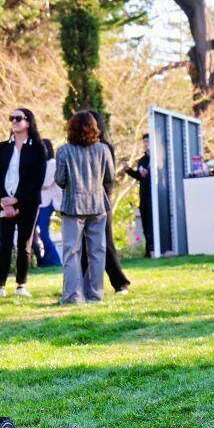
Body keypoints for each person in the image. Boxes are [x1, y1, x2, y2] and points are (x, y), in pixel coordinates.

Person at [55, 111, 114, 304]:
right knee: (97, 252)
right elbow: (110, 177)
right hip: (97, 205)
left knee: (72, 252)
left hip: (73, 206)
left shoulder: (64, 151)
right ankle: (95, 294)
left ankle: (73, 296)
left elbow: (60, 179)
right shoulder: (103, 149)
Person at [0, 108, 45, 298]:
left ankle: (21, 285)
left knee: (24, 243)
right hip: (5, 202)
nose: (14, 121)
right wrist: (4, 200)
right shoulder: (2, 147)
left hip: (28, 203)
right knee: (4, 243)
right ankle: (0, 286)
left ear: (28, 122)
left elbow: (37, 180)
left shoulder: (38, 148)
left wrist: (18, 199)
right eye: (11, 118)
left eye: (18, 118)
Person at [79, 110, 131, 293]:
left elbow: (109, 178)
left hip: (101, 202)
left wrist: (104, 198)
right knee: (82, 246)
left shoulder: (105, 147)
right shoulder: (77, 147)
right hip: (81, 202)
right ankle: (82, 285)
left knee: (106, 243)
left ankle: (120, 283)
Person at [123, 132, 153, 256]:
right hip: (144, 196)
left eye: (148, 142)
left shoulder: (157, 159)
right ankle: (148, 250)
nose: (146, 145)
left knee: (152, 223)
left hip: (154, 197)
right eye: (144, 142)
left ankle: (154, 249)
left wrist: (149, 174)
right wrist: (129, 170)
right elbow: (140, 177)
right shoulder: (142, 160)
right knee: (145, 223)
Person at [35, 138, 62, 266]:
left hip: (47, 202)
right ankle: (44, 260)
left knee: (44, 232)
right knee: (37, 232)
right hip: (39, 202)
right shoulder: (38, 164)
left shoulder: (52, 163)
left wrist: (32, 183)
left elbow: (46, 183)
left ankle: (54, 259)